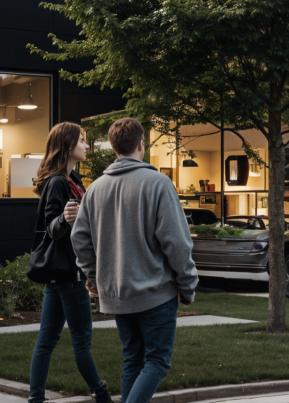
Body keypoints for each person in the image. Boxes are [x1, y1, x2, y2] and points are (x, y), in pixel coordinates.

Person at [72, 118, 197, 403]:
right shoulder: (158, 184)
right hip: (156, 293)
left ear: (114, 147)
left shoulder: (96, 189)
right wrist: (188, 285)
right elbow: (177, 243)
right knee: (156, 362)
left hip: (119, 294)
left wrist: (96, 277)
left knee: (132, 359)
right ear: (142, 144)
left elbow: (79, 239)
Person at [29, 123, 110, 403]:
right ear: (67, 145)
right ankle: (102, 394)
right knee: (82, 341)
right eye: (82, 141)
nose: (87, 146)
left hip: (63, 274)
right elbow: (51, 228)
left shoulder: (72, 179)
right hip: (69, 273)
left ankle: (36, 399)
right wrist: (65, 217)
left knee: (47, 340)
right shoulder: (58, 182)